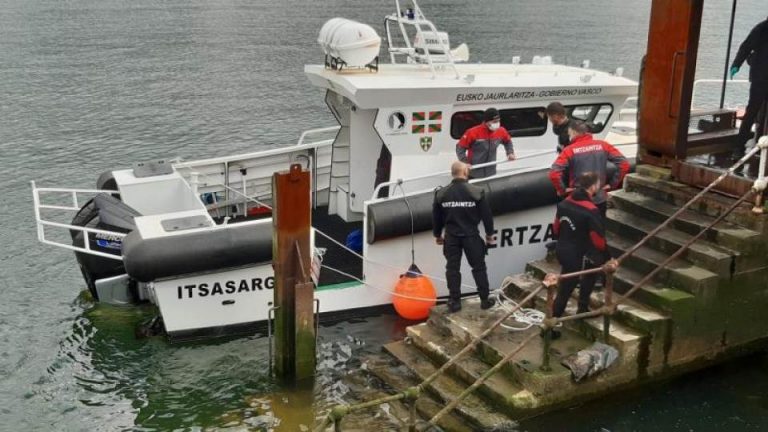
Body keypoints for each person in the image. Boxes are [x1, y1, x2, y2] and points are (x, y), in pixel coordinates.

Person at [550, 172, 617, 336]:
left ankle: (582, 308)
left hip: (563, 248)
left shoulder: (564, 203)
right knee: (566, 289)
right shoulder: (591, 210)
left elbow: (556, 228)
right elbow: (598, 241)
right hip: (578, 254)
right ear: (593, 187)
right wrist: (609, 257)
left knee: (584, 276)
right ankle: (549, 327)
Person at [432, 161, 496, 313]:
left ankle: (455, 302)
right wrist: (489, 234)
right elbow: (487, 216)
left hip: (451, 237)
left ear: (452, 173)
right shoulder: (476, 191)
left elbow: (436, 218)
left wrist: (437, 235)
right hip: (471, 236)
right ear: (465, 172)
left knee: (452, 269)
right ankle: (485, 300)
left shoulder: (441, 194)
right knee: (479, 267)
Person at [548, 121, 630, 218]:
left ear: (574, 132)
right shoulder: (603, 145)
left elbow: (554, 173)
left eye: (570, 134)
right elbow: (624, 164)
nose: (569, 137)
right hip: (599, 199)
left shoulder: (569, 150)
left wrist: (563, 190)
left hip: (578, 200)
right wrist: (612, 184)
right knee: (598, 225)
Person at [730, 16, 768, 149]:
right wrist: (736, 64)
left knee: (758, 112)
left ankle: (760, 140)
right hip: (760, 78)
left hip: (760, 76)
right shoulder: (762, 28)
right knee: (752, 110)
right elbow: (746, 46)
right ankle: (739, 144)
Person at [456, 108, 516, 179]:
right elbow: (460, 148)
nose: (497, 123)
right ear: (487, 121)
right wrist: (465, 163)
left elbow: (507, 141)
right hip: (473, 173)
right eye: (494, 121)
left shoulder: (501, 131)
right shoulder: (472, 132)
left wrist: (510, 153)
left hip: (491, 173)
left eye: (498, 121)